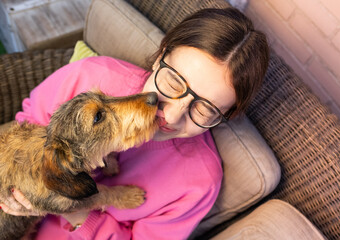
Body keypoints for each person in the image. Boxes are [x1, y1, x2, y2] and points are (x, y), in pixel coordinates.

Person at [0, 7, 269, 239]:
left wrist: (75, 210)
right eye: (174, 82)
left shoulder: (199, 181)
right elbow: (28, 119)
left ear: (227, 115)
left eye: (205, 109)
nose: (172, 116)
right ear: (161, 55)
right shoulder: (91, 75)